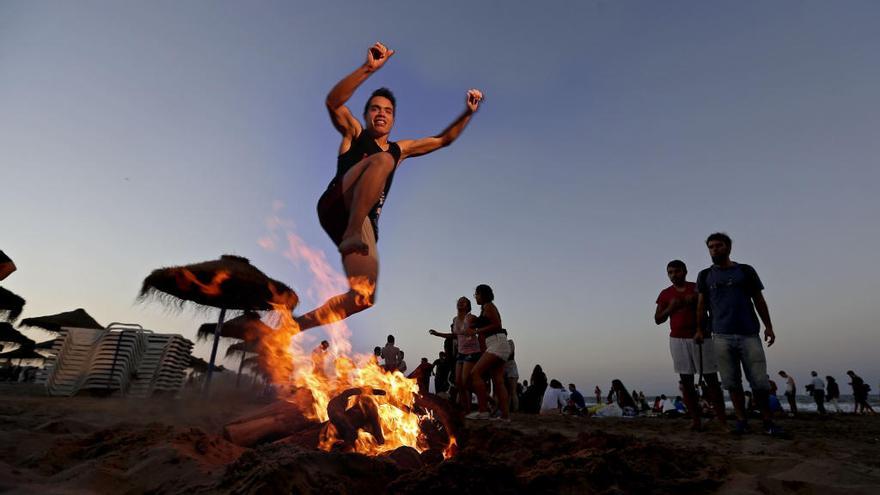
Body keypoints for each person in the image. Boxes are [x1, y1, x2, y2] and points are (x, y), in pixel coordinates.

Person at [294, 42, 483, 332]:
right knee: (383, 161)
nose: (381, 114)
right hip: (338, 203)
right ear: (367, 114)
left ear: (393, 118)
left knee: (362, 297)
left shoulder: (400, 149)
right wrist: (369, 68)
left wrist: (468, 113)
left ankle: (293, 327)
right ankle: (353, 230)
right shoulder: (354, 133)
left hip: (364, 223)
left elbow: (443, 140)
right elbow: (333, 102)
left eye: (387, 111)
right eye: (375, 109)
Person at [695, 233, 783, 436]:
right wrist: (700, 329)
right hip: (721, 335)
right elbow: (701, 306)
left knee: (760, 382)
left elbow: (758, 300)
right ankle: (742, 421)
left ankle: (768, 421)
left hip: (749, 334)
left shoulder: (745, 271)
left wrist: (768, 326)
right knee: (731, 382)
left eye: (718, 245)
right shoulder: (705, 275)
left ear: (728, 247)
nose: (714, 249)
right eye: (711, 247)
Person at [655, 259, 727, 430]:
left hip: (702, 337)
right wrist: (670, 308)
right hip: (678, 339)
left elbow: (713, 309)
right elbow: (658, 319)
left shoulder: (697, 287)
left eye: (677, 271)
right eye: (670, 272)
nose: (673, 275)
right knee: (686, 382)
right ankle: (696, 420)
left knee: (712, 380)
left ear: (685, 271)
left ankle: (722, 420)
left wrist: (702, 323)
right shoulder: (665, 294)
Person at [465, 284, 511, 421]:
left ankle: (483, 410)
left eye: (477, 294)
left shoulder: (488, 306)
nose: (476, 297)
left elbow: (497, 325)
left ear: (483, 294)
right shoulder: (486, 308)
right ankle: (505, 417)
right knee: (498, 381)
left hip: (497, 343)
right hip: (498, 343)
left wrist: (476, 330)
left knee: (475, 373)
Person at [428, 297, 478, 410]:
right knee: (458, 382)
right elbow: (454, 335)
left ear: (468, 305)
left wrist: (475, 333)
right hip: (461, 353)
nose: (460, 303)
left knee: (465, 381)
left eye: (463, 301)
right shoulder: (455, 319)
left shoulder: (472, 318)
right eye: (459, 301)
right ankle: (465, 408)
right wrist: (438, 334)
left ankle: (472, 407)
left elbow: (480, 330)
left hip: (472, 351)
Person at [505, 339, 520, 412]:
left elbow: (509, 354)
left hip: (510, 368)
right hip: (511, 368)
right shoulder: (510, 342)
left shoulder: (509, 343)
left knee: (512, 392)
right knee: (511, 392)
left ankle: (514, 409)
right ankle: (513, 409)